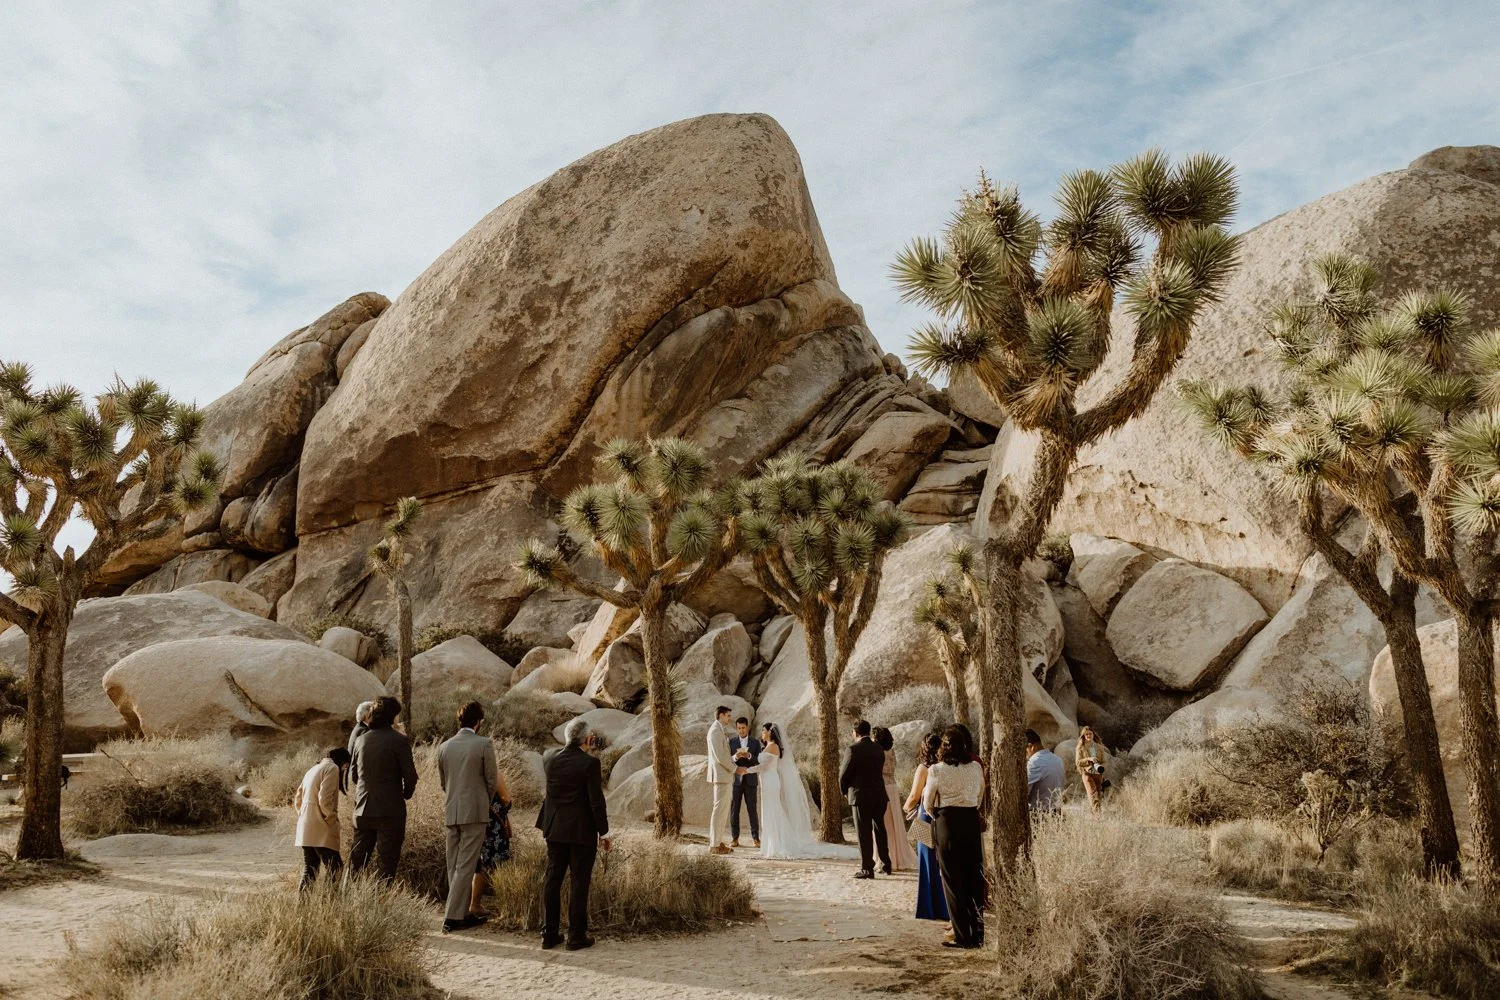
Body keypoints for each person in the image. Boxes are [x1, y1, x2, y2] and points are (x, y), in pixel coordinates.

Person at [537, 717, 611, 951]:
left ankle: (549, 933)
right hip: (581, 831)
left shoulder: (549, 758)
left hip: (554, 828)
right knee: (579, 882)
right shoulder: (590, 764)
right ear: (587, 739)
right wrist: (604, 832)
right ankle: (576, 935)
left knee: (553, 879)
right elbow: (596, 801)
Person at [739, 722, 847, 859]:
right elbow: (761, 764)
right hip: (766, 782)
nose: (762, 733)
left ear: (770, 732)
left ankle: (776, 845)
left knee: (773, 811)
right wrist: (748, 763)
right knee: (768, 811)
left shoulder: (773, 746)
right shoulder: (769, 746)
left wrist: (747, 769)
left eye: (764, 730)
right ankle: (771, 844)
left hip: (771, 782)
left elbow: (763, 766)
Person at [437, 700, 497, 933]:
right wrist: (483, 802)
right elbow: (491, 781)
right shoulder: (484, 744)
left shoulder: (444, 747)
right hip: (475, 811)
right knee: (465, 864)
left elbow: (444, 783)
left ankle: (458, 912)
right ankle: (452, 917)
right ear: (478, 722)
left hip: (452, 809)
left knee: (453, 863)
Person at [923, 725, 985, 949]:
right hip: (970, 821)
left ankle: (962, 935)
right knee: (973, 877)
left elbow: (928, 802)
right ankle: (978, 934)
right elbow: (980, 794)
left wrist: (938, 815)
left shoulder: (936, 770)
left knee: (952, 879)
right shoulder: (975, 768)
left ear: (944, 747)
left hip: (947, 822)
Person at [348, 695, 418, 880]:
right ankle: (382, 897)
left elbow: (354, 776)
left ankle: (348, 895)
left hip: (362, 809)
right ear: (392, 716)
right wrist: (405, 794)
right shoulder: (399, 741)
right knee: (386, 863)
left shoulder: (360, 740)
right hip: (390, 811)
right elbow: (410, 777)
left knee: (356, 862)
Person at [903, 732, 949, 927]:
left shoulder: (923, 768)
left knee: (926, 859)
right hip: (943, 815)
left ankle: (928, 907)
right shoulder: (946, 766)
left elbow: (914, 795)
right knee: (941, 862)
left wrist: (906, 807)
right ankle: (944, 906)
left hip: (925, 815)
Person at [840, 719, 891, 879]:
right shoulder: (879, 749)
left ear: (855, 732)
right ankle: (886, 863)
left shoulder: (852, 749)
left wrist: (845, 791)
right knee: (880, 829)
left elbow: (843, 774)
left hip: (860, 796)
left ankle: (867, 868)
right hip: (879, 795)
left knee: (864, 833)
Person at [293, 746, 350, 890]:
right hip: (321, 825)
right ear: (341, 761)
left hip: (305, 824)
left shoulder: (313, 768)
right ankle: (329, 901)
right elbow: (324, 799)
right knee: (336, 868)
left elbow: (298, 799)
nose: (345, 769)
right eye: (346, 765)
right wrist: (331, 819)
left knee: (310, 869)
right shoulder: (332, 768)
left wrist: (305, 815)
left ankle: (303, 903)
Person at [467, 758, 515, 921]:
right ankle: (479, 904)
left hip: (474, 822)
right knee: (493, 864)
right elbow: (506, 799)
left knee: (478, 864)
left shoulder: (470, 775)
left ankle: (472, 903)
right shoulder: (494, 773)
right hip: (494, 827)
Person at [873, 727, 918, 872]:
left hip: (882, 787)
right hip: (892, 787)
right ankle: (897, 857)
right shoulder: (891, 751)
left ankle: (887, 858)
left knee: (884, 824)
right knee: (894, 824)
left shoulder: (878, 753)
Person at [706, 706, 737, 855]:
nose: (729, 718)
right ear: (721, 715)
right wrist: (735, 769)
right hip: (721, 776)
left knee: (722, 811)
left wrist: (734, 758)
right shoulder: (715, 731)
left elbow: (723, 755)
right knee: (719, 811)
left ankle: (717, 842)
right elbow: (720, 757)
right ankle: (714, 845)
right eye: (728, 715)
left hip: (724, 776)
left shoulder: (719, 730)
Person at [729, 717, 761, 848]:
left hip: (751, 780)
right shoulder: (731, 742)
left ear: (747, 727)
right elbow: (728, 760)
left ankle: (756, 838)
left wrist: (749, 756)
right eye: (739, 728)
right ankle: (734, 838)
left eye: (743, 728)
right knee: (734, 809)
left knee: (752, 810)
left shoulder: (755, 742)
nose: (741, 730)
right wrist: (735, 757)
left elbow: (759, 760)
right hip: (736, 781)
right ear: (736, 728)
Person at [1026, 730, 1066, 815]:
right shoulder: (1058, 759)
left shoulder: (1034, 762)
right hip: (1058, 811)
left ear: (1031, 746)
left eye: (1025, 751)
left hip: (1040, 813)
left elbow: (1024, 791)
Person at [1075, 726, 1107, 814]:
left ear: (1093, 735)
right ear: (1083, 736)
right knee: (1093, 793)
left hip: (1098, 773)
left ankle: (1095, 814)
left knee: (1099, 795)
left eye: (1090, 734)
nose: (1088, 735)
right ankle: (1097, 815)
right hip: (1086, 773)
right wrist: (1088, 759)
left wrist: (1101, 768)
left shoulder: (1100, 747)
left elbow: (1105, 761)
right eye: (1086, 734)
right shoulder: (1080, 748)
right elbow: (1078, 763)